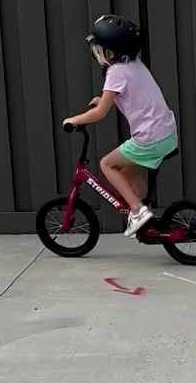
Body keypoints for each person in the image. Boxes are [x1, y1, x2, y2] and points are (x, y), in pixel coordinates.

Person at [62, 15, 178, 237]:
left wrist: (74, 120)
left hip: (150, 137)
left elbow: (100, 112)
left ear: (110, 52)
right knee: (127, 167)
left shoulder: (115, 72)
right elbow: (129, 95)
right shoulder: (135, 65)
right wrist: (104, 98)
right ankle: (146, 210)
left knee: (107, 164)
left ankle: (137, 210)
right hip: (166, 133)